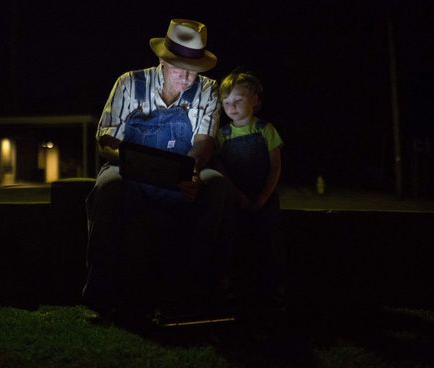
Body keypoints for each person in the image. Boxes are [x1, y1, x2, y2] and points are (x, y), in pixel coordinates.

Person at [82, 19, 235, 317]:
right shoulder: (129, 83)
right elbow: (105, 140)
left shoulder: (208, 90)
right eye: (180, 68)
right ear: (162, 60)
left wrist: (191, 171)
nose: (188, 78)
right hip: (128, 170)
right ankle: (100, 293)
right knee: (107, 186)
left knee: (216, 184)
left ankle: (199, 290)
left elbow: (204, 140)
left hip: (182, 171)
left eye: (194, 70)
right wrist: (135, 162)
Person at [214, 69, 285, 310]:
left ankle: (272, 292)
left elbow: (275, 166)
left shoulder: (266, 130)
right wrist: (237, 196)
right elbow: (221, 169)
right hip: (236, 198)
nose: (231, 107)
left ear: (255, 100)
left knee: (269, 243)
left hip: (265, 197)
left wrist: (264, 196)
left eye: (238, 100)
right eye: (226, 102)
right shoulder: (222, 136)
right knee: (233, 241)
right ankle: (233, 290)